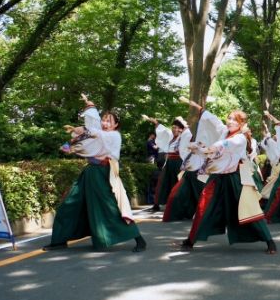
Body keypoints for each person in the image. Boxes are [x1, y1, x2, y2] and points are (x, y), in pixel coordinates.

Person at [44, 94, 146, 252]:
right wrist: (89, 107)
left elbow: (94, 132)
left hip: (104, 173)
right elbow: (91, 129)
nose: (105, 123)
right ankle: (59, 240)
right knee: (70, 203)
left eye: (109, 121)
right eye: (103, 120)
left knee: (110, 208)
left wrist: (80, 132)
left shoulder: (114, 136)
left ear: (116, 125)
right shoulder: (99, 131)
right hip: (90, 172)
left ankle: (139, 239)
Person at [178, 107, 277, 254]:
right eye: (229, 118)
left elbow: (219, 147)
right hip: (218, 177)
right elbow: (216, 123)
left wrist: (202, 150)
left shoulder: (239, 139)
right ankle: (190, 240)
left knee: (248, 209)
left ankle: (270, 241)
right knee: (203, 205)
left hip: (235, 178)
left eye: (234, 120)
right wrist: (202, 110)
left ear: (241, 124)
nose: (229, 121)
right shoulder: (226, 132)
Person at [146, 116, 186, 212]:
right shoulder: (171, 137)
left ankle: (178, 205)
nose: (174, 129)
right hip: (169, 163)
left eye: (176, 127)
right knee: (162, 182)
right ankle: (156, 204)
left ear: (180, 129)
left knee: (177, 184)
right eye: (173, 127)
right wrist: (155, 122)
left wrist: (182, 122)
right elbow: (163, 130)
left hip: (178, 163)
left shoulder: (184, 137)